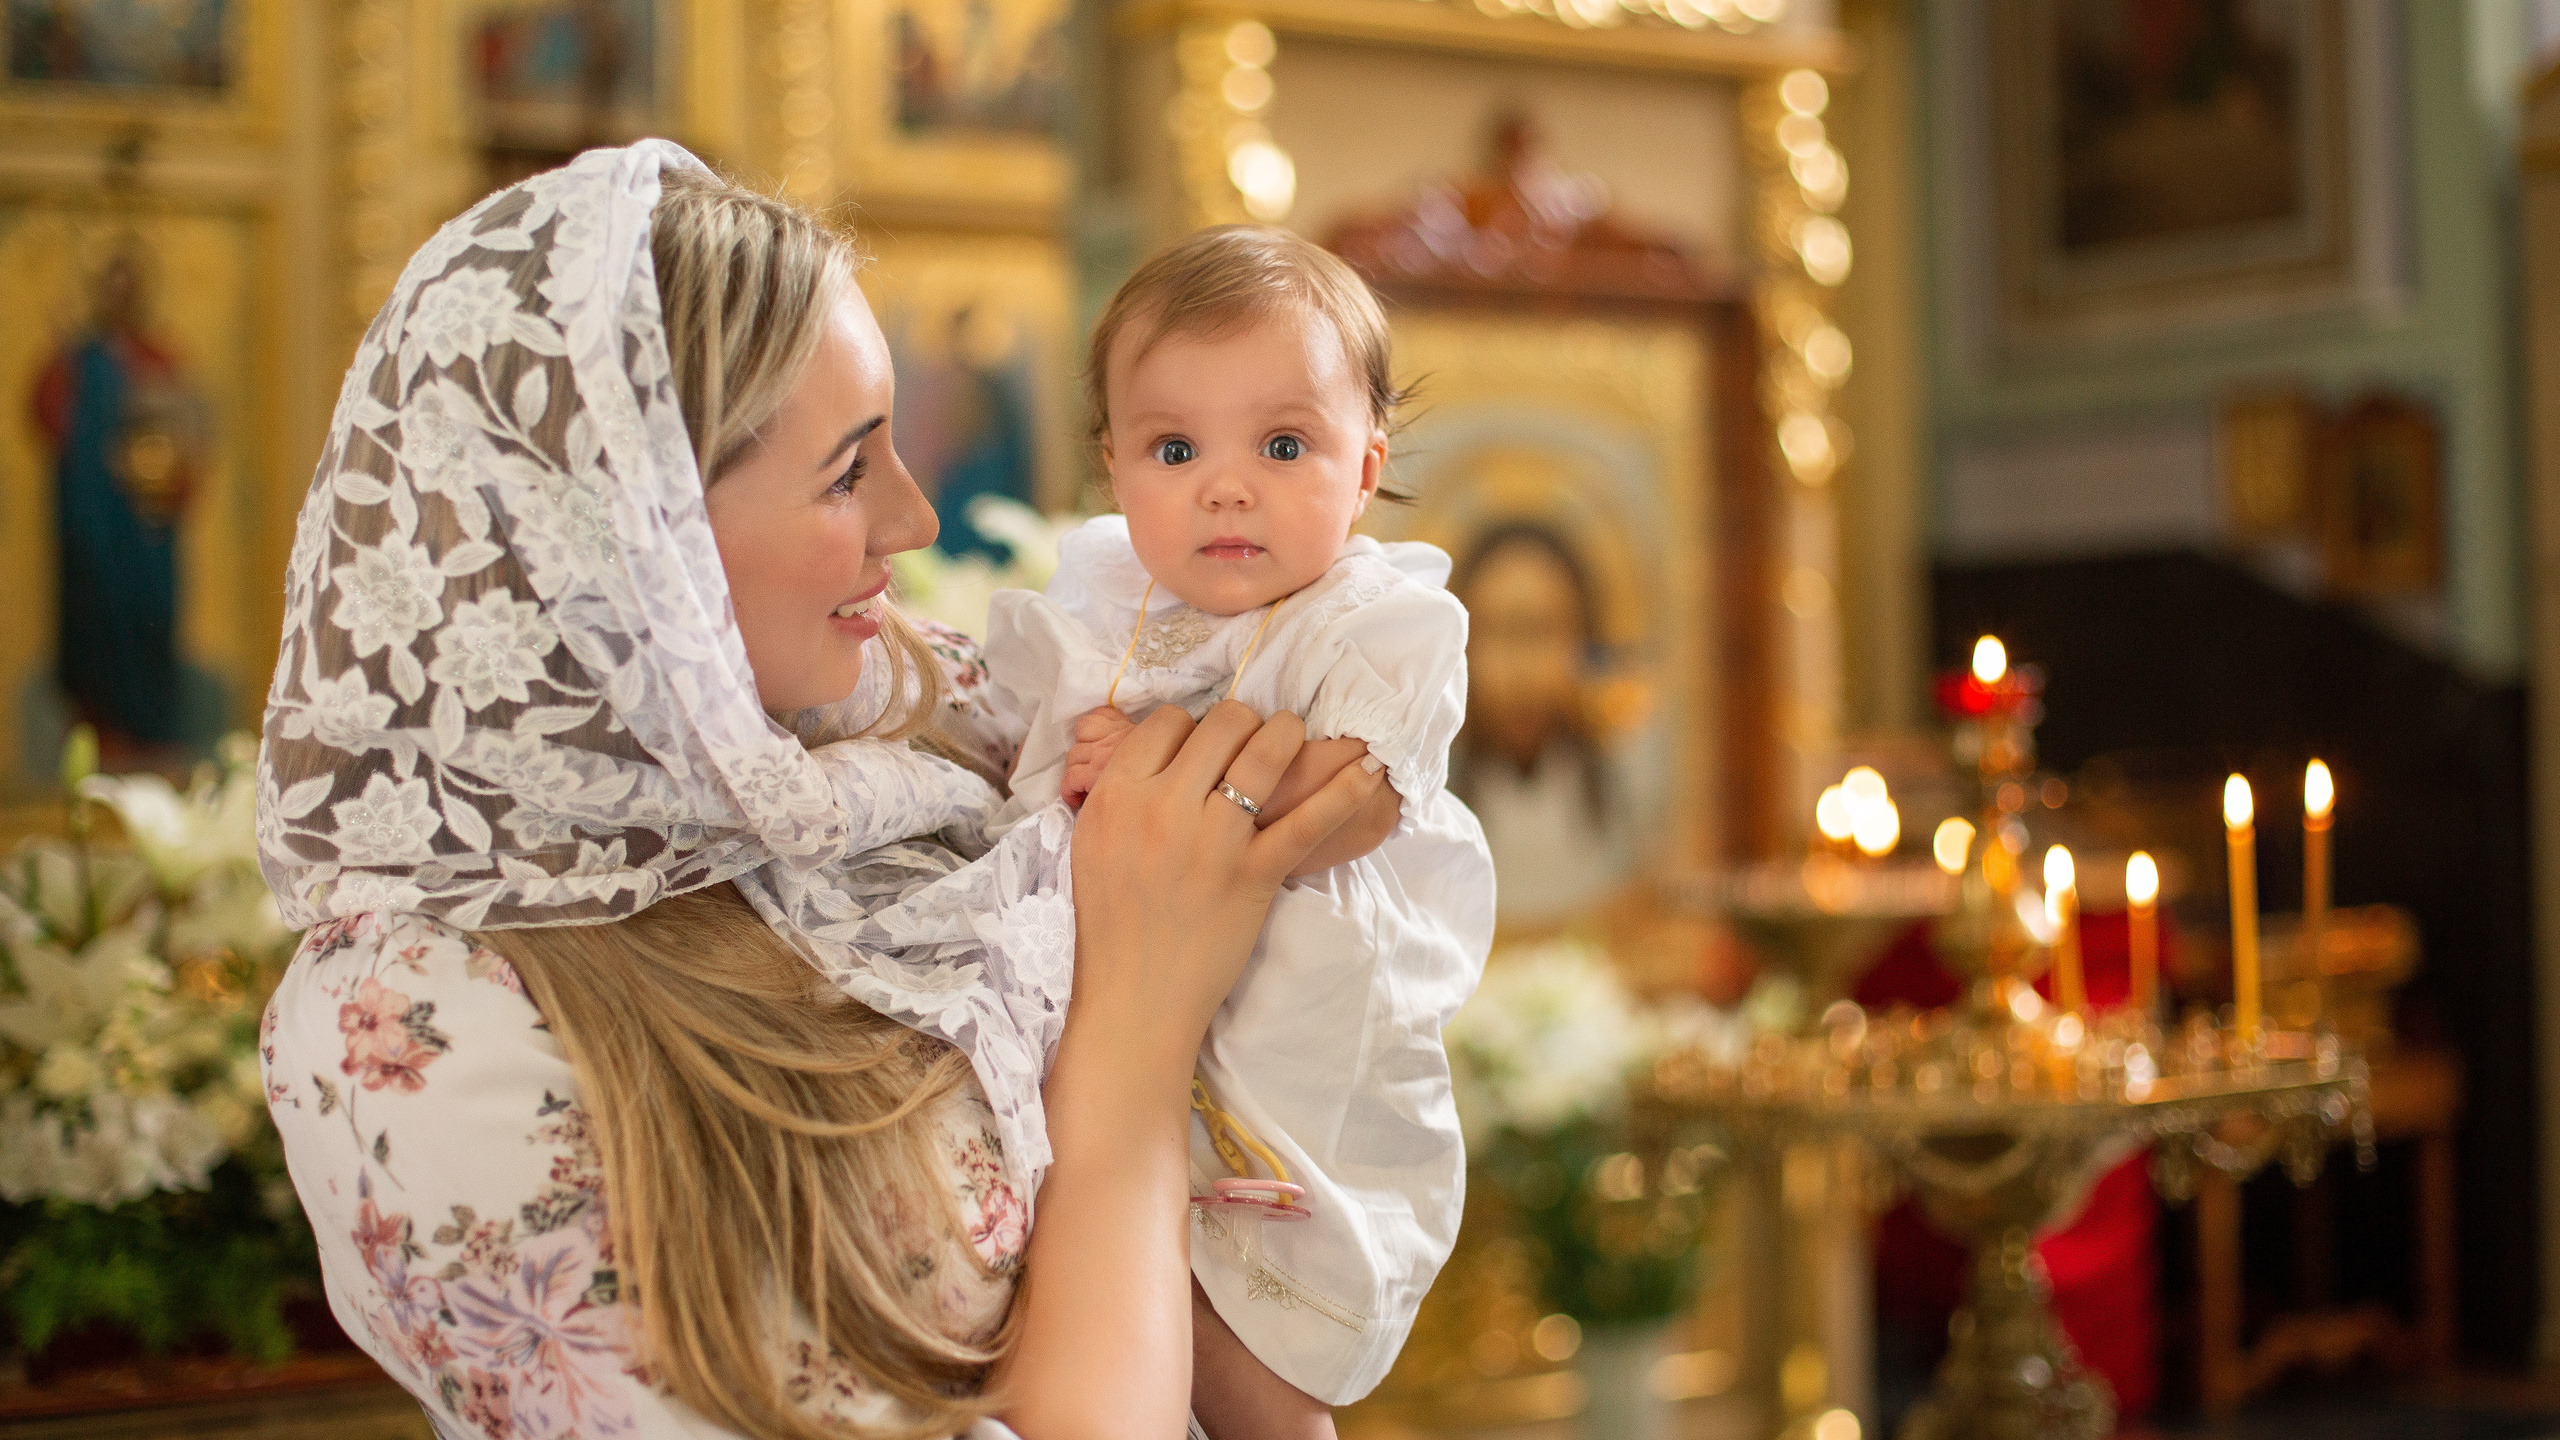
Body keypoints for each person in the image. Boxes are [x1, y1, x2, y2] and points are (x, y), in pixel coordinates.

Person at [255, 142, 1391, 1440]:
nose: (914, 518)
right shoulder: (415, 1021)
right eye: (849, 470)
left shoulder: (940, 729)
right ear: (632, 540)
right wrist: (1139, 1016)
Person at [972, 226, 1494, 1424]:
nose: (1225, 483)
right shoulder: (1105, 606)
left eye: (1281, 443)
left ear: (1365, 467)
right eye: (1173, 446)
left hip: (1292, 1025)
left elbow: (1348, 806)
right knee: (1125, 1291)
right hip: (1114, 1013)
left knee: (1258, 1342)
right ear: (1113, 466)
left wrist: (1156, 773)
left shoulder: (1370, 622)